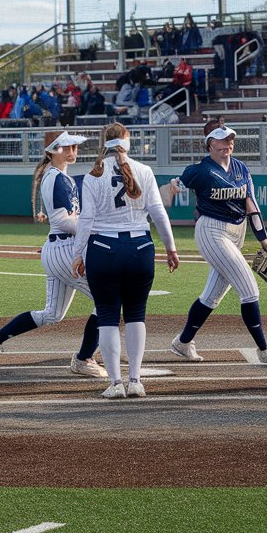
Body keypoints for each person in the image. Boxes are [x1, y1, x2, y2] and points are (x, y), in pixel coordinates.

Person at [0, 131, 107, 378]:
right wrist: (97, 228)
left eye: (74, 147)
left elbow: (62, 220)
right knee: (107, 301)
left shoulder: (60, 177)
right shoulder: (57, 178)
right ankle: (84, 358)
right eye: (65, 148)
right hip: (63, 250)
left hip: (58, 248)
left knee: (52, 314)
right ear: (52, 151)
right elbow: (63, 221)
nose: (72, 152)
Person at [166, 121, 267, 366]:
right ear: (210, 144)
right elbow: (178, 184)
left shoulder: (241, 168)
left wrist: (265, 240)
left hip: (237, 231)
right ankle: (264, 349)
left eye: (231, 139)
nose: (228, 144)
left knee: (212, 296)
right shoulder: (201, 170)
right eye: (223, 140)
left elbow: (251, 205)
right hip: (212, 230)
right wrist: (173, 186)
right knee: (249, 289)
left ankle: (182, 342)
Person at [71, 122, 179, 398]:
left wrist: (77, 253)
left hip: (104, 248)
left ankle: (115, 383)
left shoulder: (94, 175)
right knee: (136, 314)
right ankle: (135, 380)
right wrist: (171, 248)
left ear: (102, 143)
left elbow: (86, 220)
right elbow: (158, 213)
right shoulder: (144, 170)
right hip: (140, 247)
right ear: (128, 142)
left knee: (107, 315)